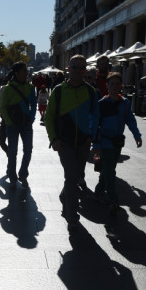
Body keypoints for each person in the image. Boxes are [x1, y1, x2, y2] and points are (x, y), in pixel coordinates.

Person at [43, 54, 99, 230]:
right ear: (68, 69)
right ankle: (71, 213)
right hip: (64, 142)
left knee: (76, 175)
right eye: (74, 67)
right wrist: (53, 139)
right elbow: (49, 117)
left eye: (82, 67)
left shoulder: (90, 92)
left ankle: (65, 196)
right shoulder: (59, 91)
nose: (78, 71)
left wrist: (91, 136)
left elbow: (95, 116)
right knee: (71, 176)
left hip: (83, 142)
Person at [92, 72, 142, 213]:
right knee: (110, 171)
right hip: (105, 142)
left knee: (108, 169)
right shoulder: (102, 104)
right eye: (111, 83)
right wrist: (95, 144)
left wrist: (137, 135)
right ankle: (113, 200)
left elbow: (130, 120)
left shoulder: (124, 103)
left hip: (117, 143)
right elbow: (95, 125)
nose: (114, 86)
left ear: (121, 86)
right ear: (107, 85)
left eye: (117, 83)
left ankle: (98, 192)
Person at [0, 62, 37, 188]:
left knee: (28, 150)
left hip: (26, 125)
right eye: (24, 71)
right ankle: (12, 175)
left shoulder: (30, 88)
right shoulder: (8, 88)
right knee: (13, 152)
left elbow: (34, 104)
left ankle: (23, 173)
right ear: (17, 73)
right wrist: (8, 122)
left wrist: (31, 117)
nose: (27, 73)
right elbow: (3, 107)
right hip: (12, 125)